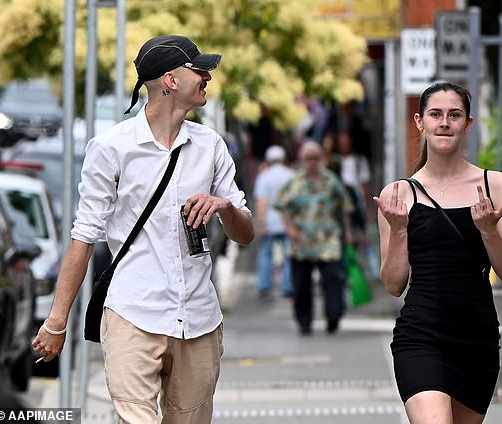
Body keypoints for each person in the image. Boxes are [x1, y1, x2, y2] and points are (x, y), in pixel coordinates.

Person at [32, 35, 254, 423]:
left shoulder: (210, 145)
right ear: (170, 80)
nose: (207, 77)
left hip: (199, 318)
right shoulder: (112, 148)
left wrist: (226, 207)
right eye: (198, 70)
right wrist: (56, 322)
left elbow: (245, 234)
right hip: (133, 313)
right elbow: (84, 237)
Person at [373, 82, 502, 424]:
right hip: (421, 335)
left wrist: (487, 230)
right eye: (435, 114)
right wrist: (398, 230)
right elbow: (394, 284)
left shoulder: (495, 185)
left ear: (467, 124)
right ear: (419, 121)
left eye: (454, 115)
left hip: (477, 338)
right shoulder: (397, 194)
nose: (444, 123)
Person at [275, 141, 354, 335]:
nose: (312, 162)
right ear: (301, 160)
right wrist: (289, 228)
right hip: (301, 240)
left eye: (316, 158)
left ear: (322, 159)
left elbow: (344, 207)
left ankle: (333, 315)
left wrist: (349, 232)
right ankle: (304, 321)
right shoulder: (294, 183)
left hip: (328, 239)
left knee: (332, 278)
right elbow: (282, 206)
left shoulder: (331, 180)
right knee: (302, 284)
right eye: (308, 158)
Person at [253, 145, 295, 299]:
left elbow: (261, 201)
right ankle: (288, 286)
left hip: (270, 218)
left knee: (265, 254)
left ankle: (264, 286)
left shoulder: (264, 176)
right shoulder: (291, 175)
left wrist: (261, 223)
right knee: (289, 254)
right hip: (288, 219)